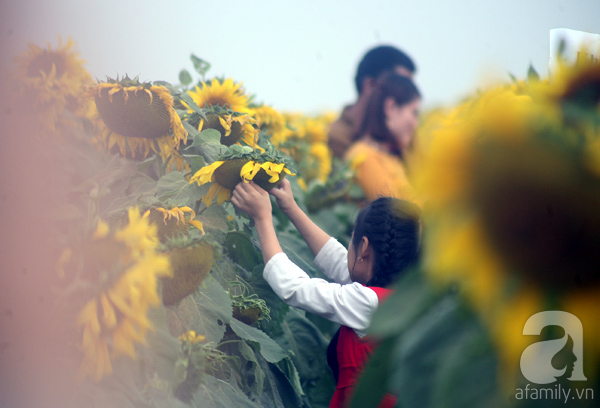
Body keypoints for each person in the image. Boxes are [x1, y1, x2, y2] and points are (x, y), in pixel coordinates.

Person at [231, 178, 421, 408]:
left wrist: (262, 219)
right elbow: (340, 261)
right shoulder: (397, 298)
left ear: (364, 247)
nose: (347, 248)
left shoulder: (368, 303)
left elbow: (293, 287)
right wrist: (291, 207)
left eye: (351, 240)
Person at [345, 72, 421, 202]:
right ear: (390, 107)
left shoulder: (388, 155)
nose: (416, 124)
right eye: (414, 113)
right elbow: (397, 218)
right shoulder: (365, 156)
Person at [328, 45, 416, 158]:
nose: (410, 95)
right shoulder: (336, 138)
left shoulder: (405, 134)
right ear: (371, 85)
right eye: (401, 86)